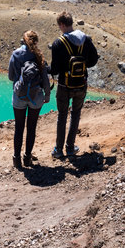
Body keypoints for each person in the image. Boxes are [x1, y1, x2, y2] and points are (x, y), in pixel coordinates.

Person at [50, 11, 99, 159]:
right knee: (76, 114)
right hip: (81, 83)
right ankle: (70, 148)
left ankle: (58, 150)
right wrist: (82, 65)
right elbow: (94, 60)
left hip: (65, 85)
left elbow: (55, 69)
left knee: (62, 116)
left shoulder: (58, 43)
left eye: (59, 26)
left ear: (63, 25)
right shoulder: (86, 39)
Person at [8, 31, 51, 168]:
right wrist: (47, 95)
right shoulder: (39, 55)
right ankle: (27, 157)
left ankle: (16, 159)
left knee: (19, 128)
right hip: (36, 97)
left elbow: (10, 76)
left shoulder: (16, 54)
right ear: (36, 41)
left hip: (19, 96)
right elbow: (45, 78)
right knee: (31, 128)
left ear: (23, 40)